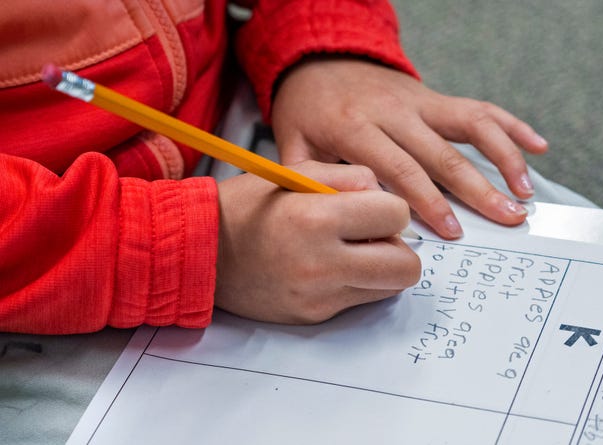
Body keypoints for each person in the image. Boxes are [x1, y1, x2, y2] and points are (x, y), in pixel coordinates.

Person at [2, 0, 551, 335]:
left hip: (250, 106)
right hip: (60, 265)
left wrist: (323, 44)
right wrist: (194, 247)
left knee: (512, 204)